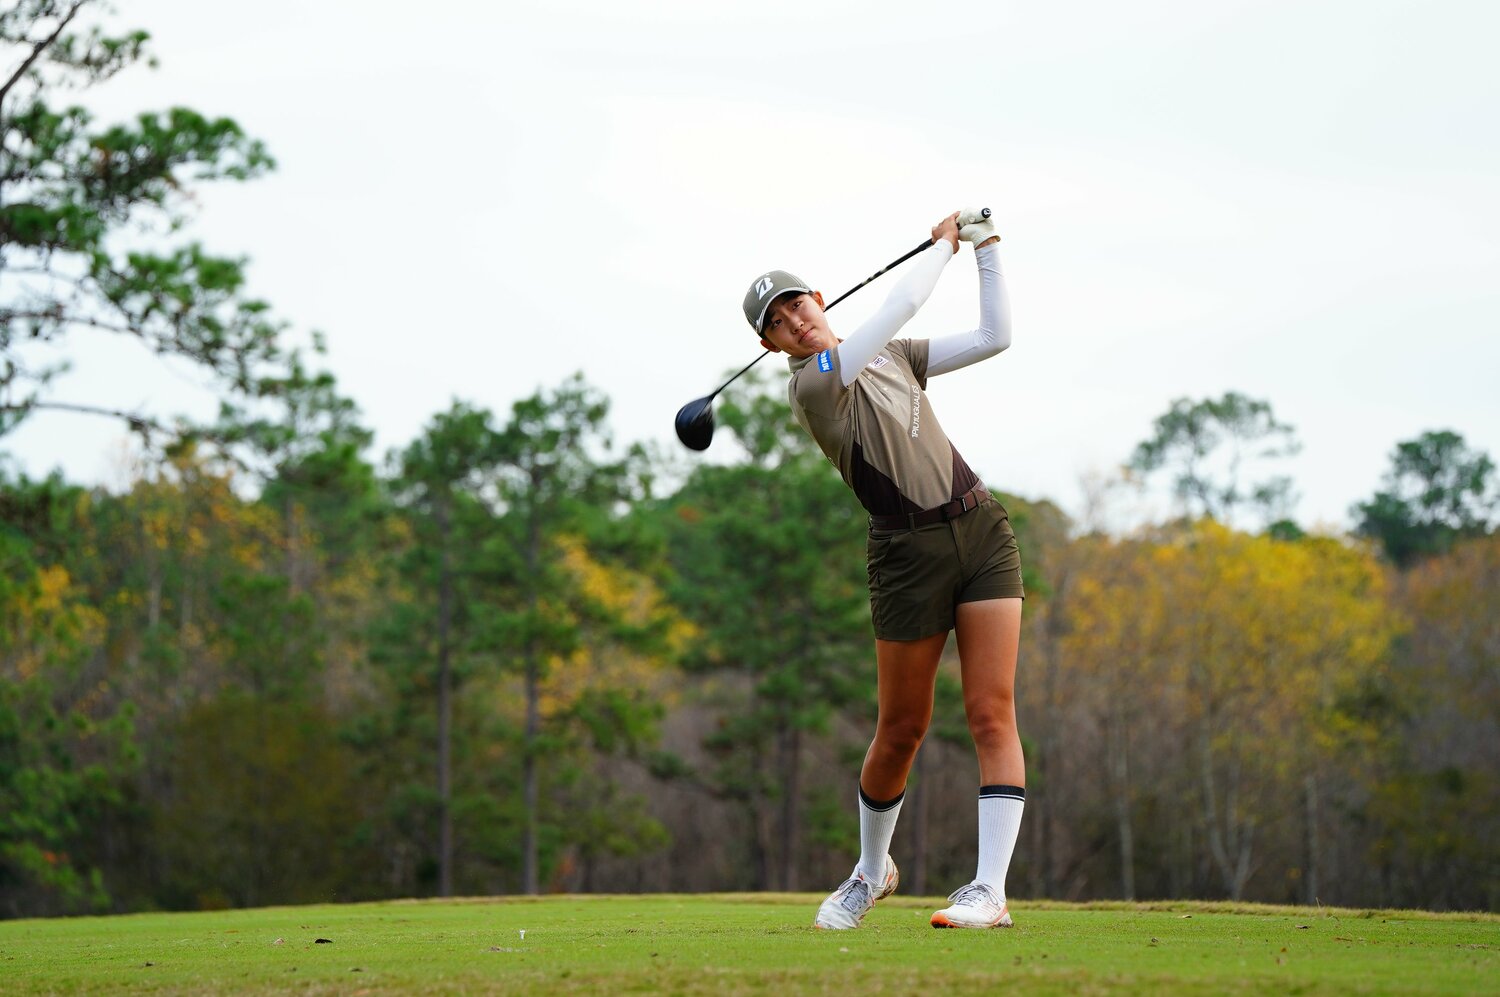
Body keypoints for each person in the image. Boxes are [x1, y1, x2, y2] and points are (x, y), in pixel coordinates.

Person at [740, 209, 1023, 930]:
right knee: (902, 727)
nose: (794, 320)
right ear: (773, 346)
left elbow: (997, 337)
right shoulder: (815, 385)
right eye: (777, 320)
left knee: (992, 711)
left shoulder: (895, 355)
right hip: (905, 555)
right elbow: (900, 300)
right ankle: (872, 870)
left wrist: (987, 249)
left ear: (820, 299)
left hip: (980, 528)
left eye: (797, 302)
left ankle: (989, 891)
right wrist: (943, 245)